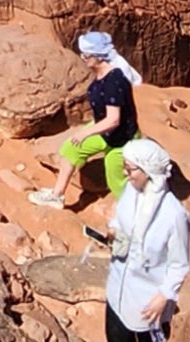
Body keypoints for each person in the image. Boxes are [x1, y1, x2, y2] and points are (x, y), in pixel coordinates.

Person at [100, 137, 190, 342]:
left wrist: (164, 296)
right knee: (117, 337)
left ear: (148, 171)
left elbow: (179, 264)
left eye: (131, 169)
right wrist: (114, 229)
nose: (126, 175)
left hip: (149, 298)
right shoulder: (132, 191)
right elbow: (120, 215)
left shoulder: (174, 215)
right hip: (119, 284)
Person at [32, 30, 143, 210]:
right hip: (105, 132)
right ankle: (56, 196)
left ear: (99, 57)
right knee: (70, 149)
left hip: (122, 140)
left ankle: (133, 220)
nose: (82, 57)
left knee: (117, 181)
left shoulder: (114, 82)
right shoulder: (101, 75)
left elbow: (113, 120)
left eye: (86, 54)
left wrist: (86, 132)